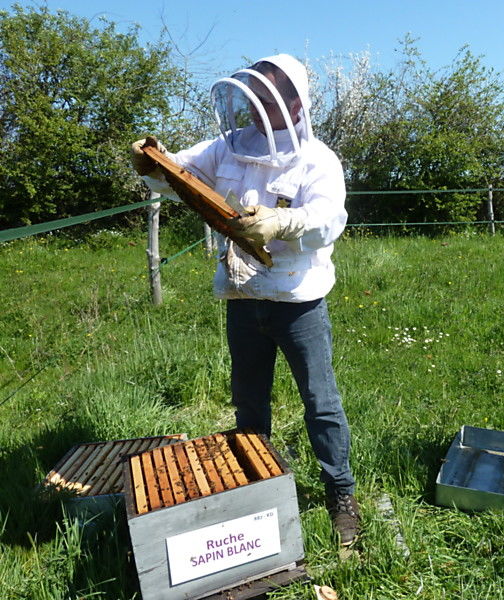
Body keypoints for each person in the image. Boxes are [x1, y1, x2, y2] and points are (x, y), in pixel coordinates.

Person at [129, 54, 360, 545]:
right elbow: (177, 173)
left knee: (320, 401)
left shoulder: (318, 159)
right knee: (248, 400)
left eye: (266, 102)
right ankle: (258, 487)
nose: (254, 112)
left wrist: (283, 221)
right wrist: (151, 162)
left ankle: (340, 493)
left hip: (298, 301)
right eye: (251, 101)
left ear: (295, 103)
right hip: (242, 294)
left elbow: (327, 220)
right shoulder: (229, 146)